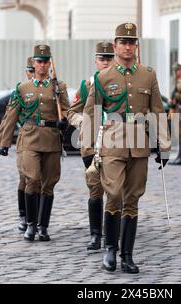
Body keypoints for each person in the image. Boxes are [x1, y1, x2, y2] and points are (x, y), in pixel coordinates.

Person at [83, 23, 171, 273]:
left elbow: (157, 111)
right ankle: (110, 249)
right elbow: (91, 113)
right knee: (114, 195)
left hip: (139, 145)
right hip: (112, 143)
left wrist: (163, 146)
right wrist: (87, 149)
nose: (127, 46)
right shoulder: (103, 77)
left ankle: (127, 255)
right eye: (123, 42)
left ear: (136, 46)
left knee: (132, 199)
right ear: (115, 46)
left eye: (131, 42)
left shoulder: (148, 75)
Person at [0, 45, 70, 242]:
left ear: (50, 63)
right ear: (33, 63)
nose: (42, 65)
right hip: (29, 138)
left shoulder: (58, 87)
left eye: (45, 61)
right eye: (39, 61)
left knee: (49, 184)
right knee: (32, 179)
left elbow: (68, 111)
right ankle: (30, 224)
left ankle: (43, 227)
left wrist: (66, 122)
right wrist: (1, 143)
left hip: (52, 138)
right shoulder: (23, 88)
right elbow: (11, 116)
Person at [67, 41, 115, 251]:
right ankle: (96, 234)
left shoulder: (122, 84)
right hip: (92, 146)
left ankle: (115, 232)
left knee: (116, 190)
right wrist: (82, 123)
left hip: (116, 144)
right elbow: (71, 112)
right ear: (96, 61)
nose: (105, 62)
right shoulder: (87, 86)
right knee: (95, 189)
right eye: (102, 58)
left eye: (109, 58)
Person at [0, 57, 39, 232]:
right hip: (25, 140)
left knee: (42, 181)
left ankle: (39, 220)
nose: (34, 73)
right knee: (25, 179)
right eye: (31, 71)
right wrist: (1, 143)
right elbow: (8, 119)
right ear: (27, 72)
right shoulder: (20, 91)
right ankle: (24, 215)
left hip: (44, 140)